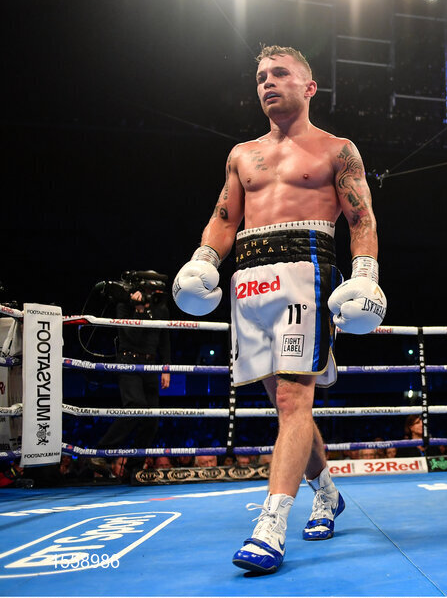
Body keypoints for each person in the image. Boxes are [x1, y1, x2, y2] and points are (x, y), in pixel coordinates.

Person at [171, 45, 386, 573]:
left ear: (309, 87)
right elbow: (224, 219)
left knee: (293, 401)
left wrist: (365, 275)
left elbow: (361, 219)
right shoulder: (242, 154)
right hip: (250, 281)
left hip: (306, 274)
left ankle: (271, 525)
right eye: (261, 76)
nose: (268, 83)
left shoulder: (338, 150)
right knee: (287, 406)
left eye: (280, 74)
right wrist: (203, 261)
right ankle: (328, 492)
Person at [90, 289, 171, 482]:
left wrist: (166, 367)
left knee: (152, 419)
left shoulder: (161, 308)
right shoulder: (124, 305)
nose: (157, 292)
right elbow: (131, 336)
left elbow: (165, 339)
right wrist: (139, 310)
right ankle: (101, 452)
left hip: (150, 365)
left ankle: (134, 468)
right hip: (128, 362)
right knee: (136, 406)